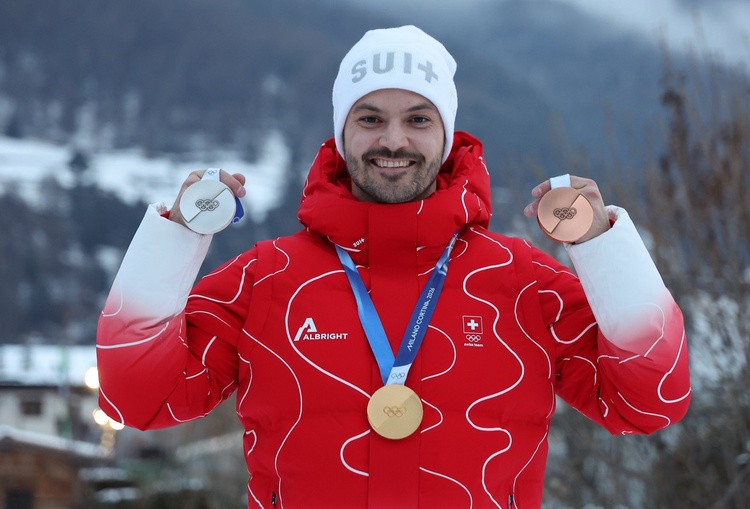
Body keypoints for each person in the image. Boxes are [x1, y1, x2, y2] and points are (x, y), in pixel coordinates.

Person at [96, 25, 691, 509]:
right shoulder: (267, 279)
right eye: (371, 118)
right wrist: (176, 236)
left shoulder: (519, 281)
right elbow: (138, 399)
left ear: (447, 136)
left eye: (419, 119)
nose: (394, 140)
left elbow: (650, 401)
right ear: (342, 133)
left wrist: (604, 247)